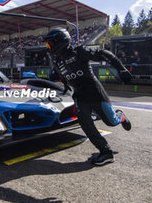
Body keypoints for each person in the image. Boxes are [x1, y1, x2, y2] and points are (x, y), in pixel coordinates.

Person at [43, 27, 132, 166]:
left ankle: (121, 116)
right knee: (85, 123)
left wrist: (122, 69)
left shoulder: (79, 52)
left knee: (111, 122)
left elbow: (104, 53)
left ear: (60, 41)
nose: (48, 47)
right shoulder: (57, 62)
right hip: (79, 96)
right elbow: (61, 76)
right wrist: (61, 83)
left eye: (50, 43)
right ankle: (106, 152)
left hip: (95, 93)